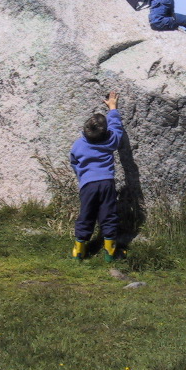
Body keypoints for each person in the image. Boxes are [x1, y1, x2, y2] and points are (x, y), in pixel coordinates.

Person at [70, 91, 125, 262]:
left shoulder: (78, 145)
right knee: (108, 214)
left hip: (88, 185)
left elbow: (74, 162)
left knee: (86, 215)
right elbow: (117, 127)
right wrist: (113, 108)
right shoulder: (111, 140)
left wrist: (82, 177)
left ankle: (79, 250)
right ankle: (110, 251)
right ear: (105, 132)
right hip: (107, 183)